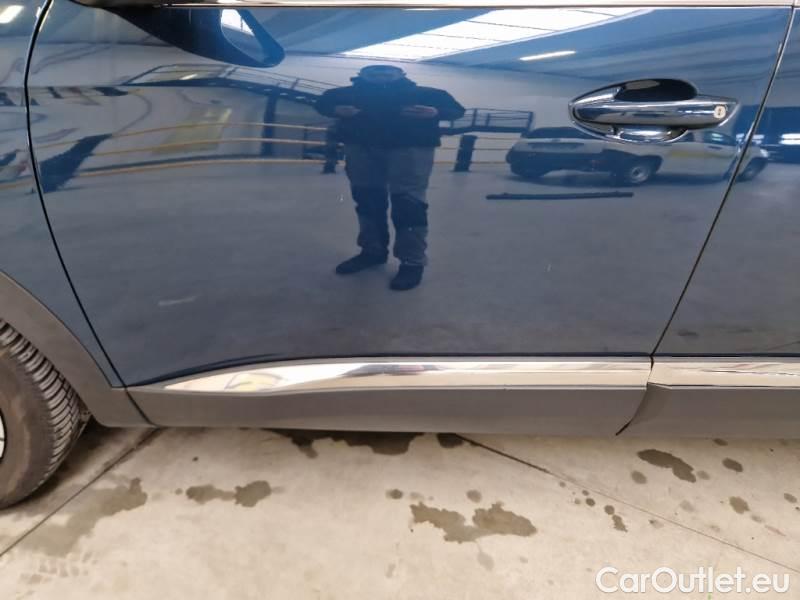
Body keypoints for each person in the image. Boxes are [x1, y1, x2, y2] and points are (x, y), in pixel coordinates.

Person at [316, 65, 465, 290]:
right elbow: (321, 104)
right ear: (362, 75)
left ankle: (412, 262)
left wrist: (436, 112)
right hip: (361, 148)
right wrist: (335, 109)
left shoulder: (428, 94)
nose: (381, 74)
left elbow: (456, 110)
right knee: (367, 200)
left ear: (401, 74)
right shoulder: (343, 94)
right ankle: (372, 251)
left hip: (411, 148)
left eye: (388, 71)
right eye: (374, 72)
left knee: (409, 203)